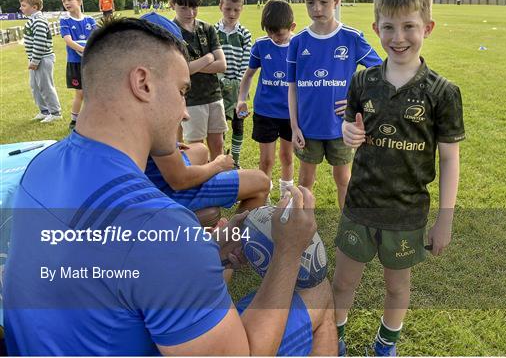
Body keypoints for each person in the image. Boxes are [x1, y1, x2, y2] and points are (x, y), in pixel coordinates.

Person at [4, 18, 336, 355]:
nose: (185, 113)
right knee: (318, 294)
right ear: (143, 83)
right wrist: (289, 251)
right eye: (181, 92)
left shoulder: (40, 167)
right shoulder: (158, 226)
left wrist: (207, 248)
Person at [332, 0, 465, 356]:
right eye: (389, 27)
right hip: (360, 204)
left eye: (409, 26)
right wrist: (347, 132)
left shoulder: (442, 92)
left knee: (396, 287)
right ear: (376, 28)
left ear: (427, 28)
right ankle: (335, 337)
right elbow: (351, 130)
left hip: (407, 210)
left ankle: (385, 344)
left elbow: (449, 157)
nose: (398, 37)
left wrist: (445, 219)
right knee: (343, 282)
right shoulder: (362, 80)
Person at [140, 12, 270, 227]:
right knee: (261, 182)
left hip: (148, 179)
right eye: (180, 90)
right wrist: (218, 165)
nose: (185, 114)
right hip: (166, 191)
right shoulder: (156, 104)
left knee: (199, 150)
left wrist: (167, 147)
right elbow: (178, 180)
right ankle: (228, 242)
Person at [286, 0, 382, 209]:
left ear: (337, 1)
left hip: (341, 127)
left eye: (324, 1)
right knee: (305, 180)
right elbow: (293, 87)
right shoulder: (297, 41)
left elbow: (381, 72)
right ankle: (302, 228)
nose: (317, 9)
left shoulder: (351, 37)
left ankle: (347, 229)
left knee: (343, 178)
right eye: (310, 2)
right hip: (307, 128)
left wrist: (357, 101)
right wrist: (294, 125)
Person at [237, 0, 296, 201]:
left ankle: (286, 197)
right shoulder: (261, 45)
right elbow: (248, 76)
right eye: (270, 32)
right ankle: (264, 198)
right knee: (266, 160)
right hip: (265, 112)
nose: (274, 37)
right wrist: (241, 100)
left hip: (291, 113)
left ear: (292, 27)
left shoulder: (299, 45)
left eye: (279, 33)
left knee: (287, 157)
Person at [170, 0, 227, 159]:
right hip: (191, 99)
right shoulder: (171, 32)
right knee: (196, 150)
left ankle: (218, 182)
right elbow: (181, 71)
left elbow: (222, 65)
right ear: (172, 4)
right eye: (184, 7)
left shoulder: (207, 29)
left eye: (194, 7)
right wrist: (208, 58)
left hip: (214, 95)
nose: (190, 12)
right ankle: (200, 184)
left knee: (218, 145)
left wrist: (193, 66)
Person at [214, 0, 252, 168]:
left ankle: (235, 160)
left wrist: (238, 82)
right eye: (228, 9)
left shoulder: (244, 34)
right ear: (221, 6)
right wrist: (221, 79)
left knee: (238, 124)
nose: (232, 13)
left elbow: (246, 63)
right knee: (219, 126)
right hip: (218, 87)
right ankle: (221, 159)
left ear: (241, 9)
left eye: (236, 10)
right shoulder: (213, 31)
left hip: (239, 87)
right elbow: (213, 58)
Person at [19, 0, 62, 123]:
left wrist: (35, 61)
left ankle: (55, 112)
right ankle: (44, 111)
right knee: (35, 86)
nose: (21, 8)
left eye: (24, 5)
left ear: (35, 7)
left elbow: (40, 42)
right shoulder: (32, 20)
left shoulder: (38, 21)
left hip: (42, 58)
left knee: (45, 86)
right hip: (36, 59)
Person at [59, 0, 97, 131]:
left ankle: (93, 118)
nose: (66, 3)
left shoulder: (90, 20)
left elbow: (96, 38)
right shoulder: (65, 21)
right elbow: (68, 41)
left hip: (90, 61)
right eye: (64, 1)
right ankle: (74, 120)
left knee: (93, 91)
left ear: (79, 1)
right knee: (80, 93)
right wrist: (84, 49)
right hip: (75, 62)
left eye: (69, 0)